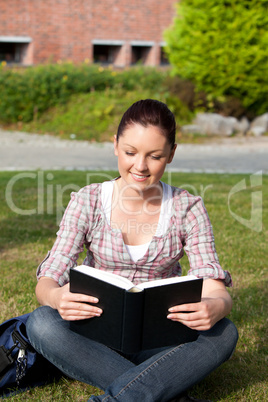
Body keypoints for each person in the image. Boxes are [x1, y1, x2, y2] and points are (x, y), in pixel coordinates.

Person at [26, 99, 238, 402]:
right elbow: (50, 275)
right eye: (130, 152)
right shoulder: (88, 200)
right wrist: (56, 296)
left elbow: (214, 285)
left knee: (224, 332)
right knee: (42, 324)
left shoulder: (187, 208)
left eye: (154, 156)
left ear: (171, 154)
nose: (140, 166)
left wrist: (217, 306)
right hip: (95, 332)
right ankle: (164, 387)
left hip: (162, 338)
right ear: (115, 145)